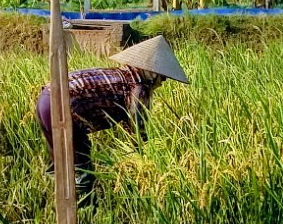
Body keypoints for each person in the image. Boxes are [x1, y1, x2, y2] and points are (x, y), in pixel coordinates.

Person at [36, 35, 188, 194]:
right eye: (163, 76)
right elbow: (137, 129)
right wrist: (145, 159)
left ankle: (47, 197)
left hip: (46, 99)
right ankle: (83, 205)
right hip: (63, 106)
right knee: (80, 168)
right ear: (151, 72)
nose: (163, 81)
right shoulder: (138, 88)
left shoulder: (121, 74)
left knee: (61, 162)